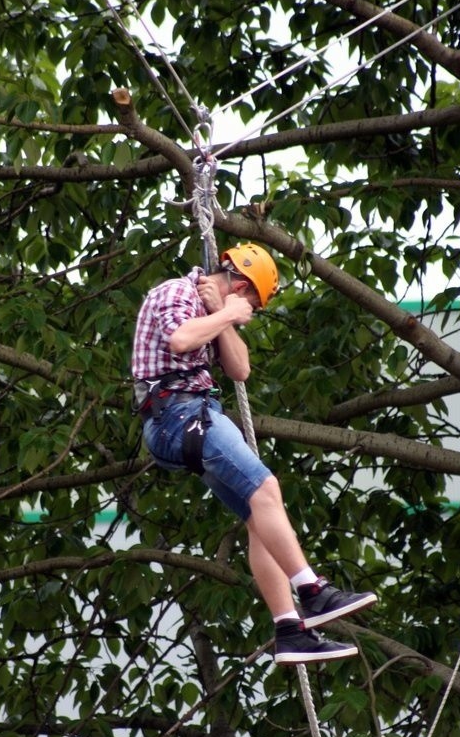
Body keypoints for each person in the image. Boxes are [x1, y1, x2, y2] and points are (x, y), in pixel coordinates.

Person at [131, 242, 376, 665]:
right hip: (179, 414)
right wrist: (226, 313)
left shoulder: (212, 308)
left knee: (258, 517)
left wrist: (223, 317)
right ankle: (313, 591)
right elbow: (179, 338)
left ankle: (289, 630)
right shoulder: (177, 292)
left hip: (192, 417)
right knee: (267, 488)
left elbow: (240, 369)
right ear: (241, 285)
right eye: (252, 303)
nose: (250, 313)